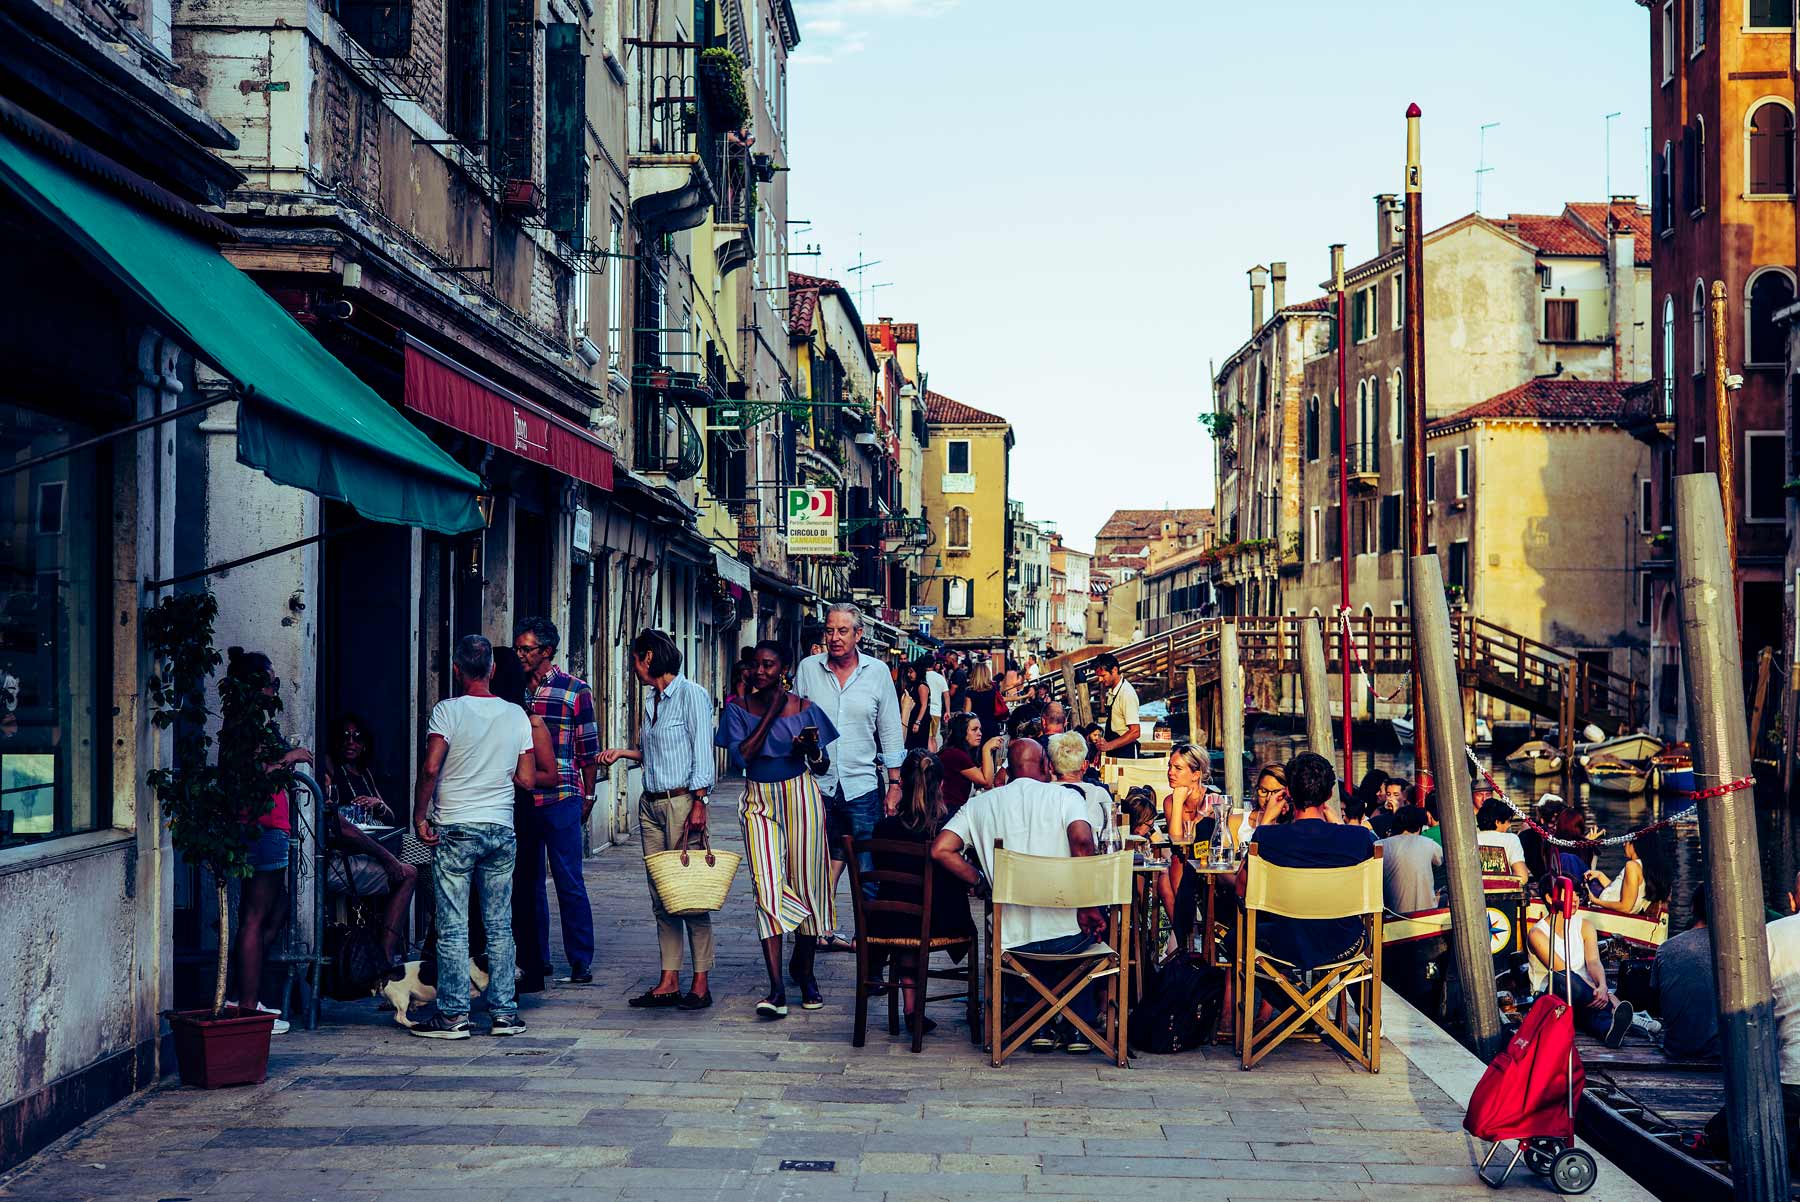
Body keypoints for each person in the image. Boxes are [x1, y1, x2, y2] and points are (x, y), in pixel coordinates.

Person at [410, 635, 548, 1038]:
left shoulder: (447, 712)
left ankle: (453, 1015)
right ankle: (504, 1012)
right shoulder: (516, 715)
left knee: (454, 926)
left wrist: (421, 815)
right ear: (491, 670)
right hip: (501, 828)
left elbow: (431, 768)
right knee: (499, 925)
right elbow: (525, 778)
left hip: (455, 826)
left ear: (456, 670)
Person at [930, 741, 1105, 1054]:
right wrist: (1088, 905)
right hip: (1066, 937)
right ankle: (1078, 1024)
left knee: (1030, 942)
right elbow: (1082, 840)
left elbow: (940, 849)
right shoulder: (1066, 797)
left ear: (1006, 770)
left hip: (1009, 939)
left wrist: (980, 879)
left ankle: (1037, 1022)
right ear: (1047, 767)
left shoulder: (981, 805)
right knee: (1090, 931)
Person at [716, 640, 838, 1018]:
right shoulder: (737, 710)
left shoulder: (806, 709)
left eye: (769, 665)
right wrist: (770, 711)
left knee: (808, 882)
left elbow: (821, 766)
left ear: (783, 667)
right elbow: (743, 757)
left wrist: (809, 750)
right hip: (758, 800)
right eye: (756, 665)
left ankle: (805, 970)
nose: (760, 671)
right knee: (766, 887)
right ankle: (776, 989)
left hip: (800, 795)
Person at [599, 629, 717, 1009]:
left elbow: (702, 753)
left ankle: (700, 982)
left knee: (690, 895)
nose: (632, 666)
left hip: (683, 804)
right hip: (650, 806)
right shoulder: (652, 700)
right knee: (661, 897)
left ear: (648, 657)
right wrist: (624, 753)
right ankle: (668, 979)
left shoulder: (691, 695)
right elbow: (660, 754)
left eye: (634, 658)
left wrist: (700, 802)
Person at [793, 603, 906, 948]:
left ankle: (869, 943)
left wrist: (895, 783)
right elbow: (793, 719)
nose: (835, 638)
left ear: (859, 635)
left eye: (843, 631)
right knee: (812, 865)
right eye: (829, 630)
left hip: (862, 786)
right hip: (815, 785)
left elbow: (889, 730)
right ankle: (814, 938)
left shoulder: (877, 672)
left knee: (868, 871)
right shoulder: (809, 669)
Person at [224, 648, 311, 1035]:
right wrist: (293, 756)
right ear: (255, 686)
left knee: (273, 912)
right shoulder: (247, 726)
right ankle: (247, 1006)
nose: (275, 689)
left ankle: (243, 993)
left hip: (267, 824)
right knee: (256, 919)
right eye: (272, 683)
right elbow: (259, 773)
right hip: (261, 823)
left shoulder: (249, 723)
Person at [514, 617, 601, 986]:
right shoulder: (512, 691)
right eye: (518, 648)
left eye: (526, 649)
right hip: (523, 797)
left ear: (546, 651)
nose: (520, 655)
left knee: (568, 879)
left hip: (563, 795)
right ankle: (538, 957)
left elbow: (589, 747)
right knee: (528, 881)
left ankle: (580, 959)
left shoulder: (575, 690)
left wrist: (590, 794)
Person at [1239, 752, 1377, 971]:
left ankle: (1294, 1002)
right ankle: (1310, 1004)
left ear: (1289, 793)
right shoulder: (1358, 838)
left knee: (1235, 940)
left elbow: (1242, 887)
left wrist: (1266, 821)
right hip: (1345, 944)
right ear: (1330, 793)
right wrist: (1339, 824)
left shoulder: (1267, 837)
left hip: (1284, 944)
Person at [871, 749, 976, 1033]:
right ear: (941, 785)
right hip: (941, 919)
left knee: (907, 911)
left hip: (891, 921)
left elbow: (881, 869)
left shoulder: (884, 827)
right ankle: (974, 1005)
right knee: (940, 909)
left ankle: (910, 1007)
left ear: (902, 783)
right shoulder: (949, 827)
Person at [320, 714, 419, 971]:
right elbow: (342, 829)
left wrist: (378, 805)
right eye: (345, 736)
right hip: (344, 858)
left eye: (357, 737)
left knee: (421, 855)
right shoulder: (330, 769)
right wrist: (388, 859)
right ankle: (386, 957)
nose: (351, 742)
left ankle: (422, 940)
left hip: (368, 851)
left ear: (365, 744)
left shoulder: (363, 774)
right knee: (408, 873)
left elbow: (391, 816)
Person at [1701, 910, 1800, 1167]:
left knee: (1720, 1137)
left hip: (1791, 1078)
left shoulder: (1772, 934)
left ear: (1793, 899)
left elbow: (1747, 1015)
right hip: (1789, 1078)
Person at [1527, 871, 1635, 1047]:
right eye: (1569, 894)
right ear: (1549, 898)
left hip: (1585, 997)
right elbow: (1562, 970)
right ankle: (1619, 1012)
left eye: (1577, 893)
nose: (1575, 898)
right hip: (1552, 995)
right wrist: (1607, 996)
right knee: (1567, 980)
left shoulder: (1585, 925)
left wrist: (1603, 986)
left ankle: (1610, 1029)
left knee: (1588, 1012)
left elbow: (1593, 961)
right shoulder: (1537, 933)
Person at [1653, 885, 1718, 1061]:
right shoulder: (1734, 949)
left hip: (1677, 1048)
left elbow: (1657, 997)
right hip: (1721, 1051)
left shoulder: (1666, 948)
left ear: (1692, 908)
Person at [1048, 731, 1113, 844]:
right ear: (1085, 765)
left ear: (1051, 767)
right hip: (1089, 860)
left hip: (1045, 860)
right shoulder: (1100, 795)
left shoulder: (1041, 793)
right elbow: (1110, 839)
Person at [1376, 807, 1443, 916]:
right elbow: (1441, 861)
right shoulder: (1428, 843)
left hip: (1391, 916)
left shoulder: (1379, 845)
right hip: (1427, 915)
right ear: (1419, 827)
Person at [1587, 836, 1668, 916]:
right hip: (1609, 903)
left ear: (1634, 844)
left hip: (1609, 911)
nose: (1624, 844)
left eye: (1626, 841)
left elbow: (1626, 907)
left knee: (1576, 865)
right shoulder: (1645, 867)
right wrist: (1600, 875)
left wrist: (1595, 901)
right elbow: (1621, 892)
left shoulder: (1632, 866)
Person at [937, 710, 998, 814]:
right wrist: (987, 749)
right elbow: (987, 782)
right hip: (948, 811)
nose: (980, 733)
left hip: (951, 808)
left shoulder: (959, 752)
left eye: (980, 729)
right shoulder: (955, 754)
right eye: (974, 730)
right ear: (962, 731)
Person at [1227, 763, 1289, 851]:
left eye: (1276, 792)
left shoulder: (1293, 825)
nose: (1269, 798)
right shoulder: (1236, 822)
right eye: (1264, 791)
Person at [1090, 652, 1141, 759]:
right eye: (1098, 676)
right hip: (1114, 750)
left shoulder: (1126, 693)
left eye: (1103, 675)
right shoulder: (1112, 690)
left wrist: (1109, 746)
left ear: (1114, 670)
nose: (1100, 680)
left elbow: (1135, 732)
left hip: (1126, 753)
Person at [1476, 799, 1530, 885]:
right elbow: (1522, 877)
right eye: (1508, 821)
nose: (1509, 825)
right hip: (1505, 893)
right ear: (1497, 822)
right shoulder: (1511, 839)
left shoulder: (1472, 838)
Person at [963, 660, 1006, 742]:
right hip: (992, 726)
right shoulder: (994, 688)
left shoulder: (970, 692)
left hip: (977, 729)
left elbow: (967, 714)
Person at [900, 660, 932, 752]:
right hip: (914, 718)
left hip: (921, 721)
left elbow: (924, 705)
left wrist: (917, 722)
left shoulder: (922, 686)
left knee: (918, 747)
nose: (909, 675)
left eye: (911, 672)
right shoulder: (914, 684)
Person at [923, 657, 950, 751]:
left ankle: (931, 759)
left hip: (926, 710)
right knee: (933, 737)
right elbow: (946, 695)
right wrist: (947, 711)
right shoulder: (940, 678)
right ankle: (935, 757)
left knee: (928, 738)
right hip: (937, 711)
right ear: (933, 664)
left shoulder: (922, 676)